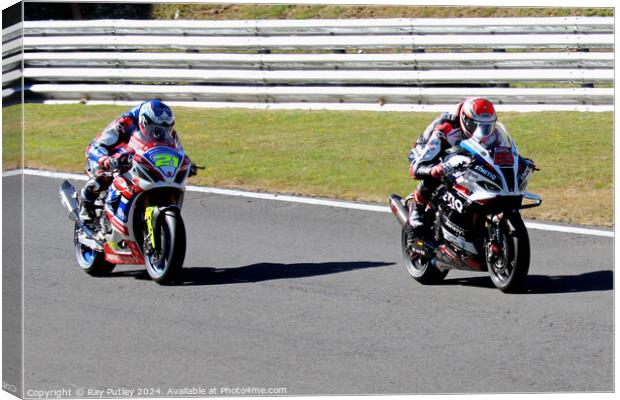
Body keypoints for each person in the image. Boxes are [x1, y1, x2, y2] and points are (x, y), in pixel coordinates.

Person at [78, 99, 195, 223]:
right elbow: (95, 145)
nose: (161, 134)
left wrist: (188, 164)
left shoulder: (167, 132)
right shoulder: (124, 123)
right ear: (144, 122)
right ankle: (86, 204)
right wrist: (105, 159)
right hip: (110, 155)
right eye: (156, 129)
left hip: (137, 158)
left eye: (166, 129)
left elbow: (177, 151)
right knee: (103, 176)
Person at [405, 97, 500, 242]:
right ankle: (417, 209)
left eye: (487, 126)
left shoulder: (489, 131)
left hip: (462, 149)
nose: (482, 131)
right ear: (465, 120)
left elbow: (501, 150)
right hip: (428, 149)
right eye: (476, 126)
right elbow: (416, 168)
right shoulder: (445, 128)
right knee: (439, 170)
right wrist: (435, 169)